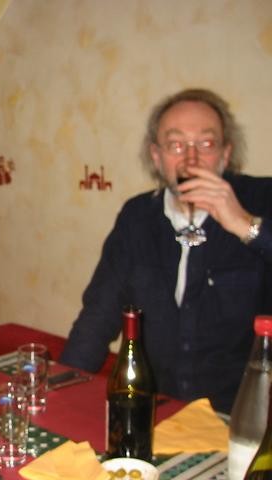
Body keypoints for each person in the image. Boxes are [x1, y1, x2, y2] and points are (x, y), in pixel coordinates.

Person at [60, 88, 272, 414]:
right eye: (176, 145)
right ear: (157, 157)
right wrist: (60, 393)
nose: (191, 159)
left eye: (206, 144)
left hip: (244, 416)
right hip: (158, 411)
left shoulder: (262, 199)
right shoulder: (137, 217)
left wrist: (244, 224)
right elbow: (98, 317)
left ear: (226, 153)